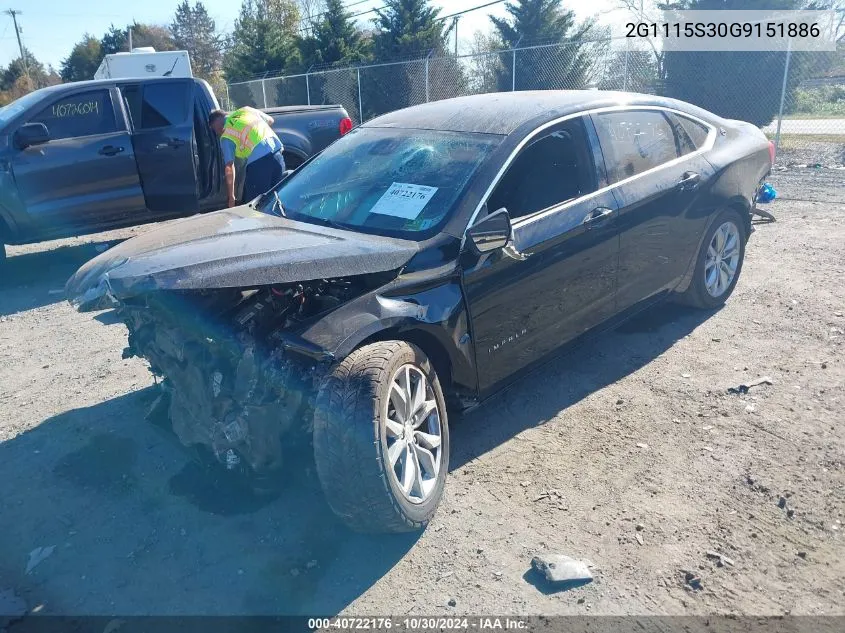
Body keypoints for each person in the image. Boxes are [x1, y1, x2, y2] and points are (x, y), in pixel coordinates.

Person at [209, 107, 286, 208]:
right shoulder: (245, 110)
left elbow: (229, 167)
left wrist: (231, 197)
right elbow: (271, 120)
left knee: (256, 206)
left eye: (215, 131)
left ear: (216, 125)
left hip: (259, 165)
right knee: (277, 200)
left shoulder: (226, 135)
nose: (217, 134)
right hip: (277, 154)